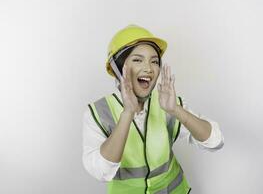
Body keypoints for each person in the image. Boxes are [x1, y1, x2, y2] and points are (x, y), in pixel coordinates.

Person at [82, 24, 225, 194]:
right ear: (118, 68)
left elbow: (215, 142)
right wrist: (127, 113)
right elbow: (101, 171)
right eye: (137, 60)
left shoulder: (167, 103)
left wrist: (176, 110)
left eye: (154, 61)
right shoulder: (98, 113)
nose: (148, 68)